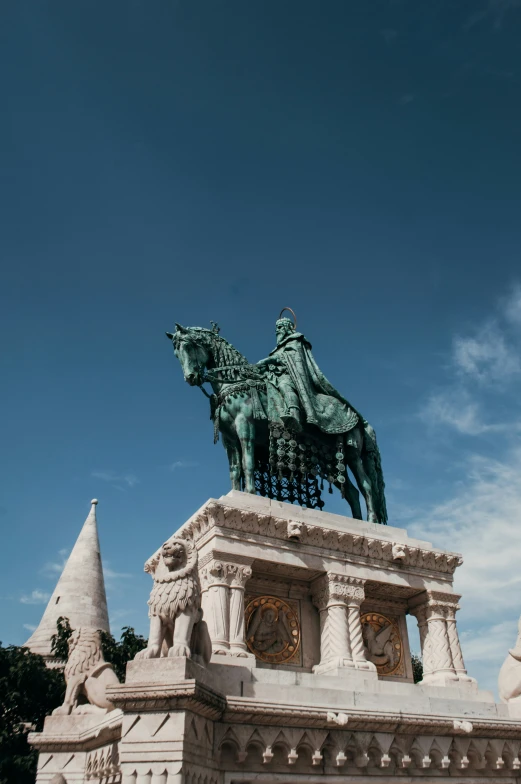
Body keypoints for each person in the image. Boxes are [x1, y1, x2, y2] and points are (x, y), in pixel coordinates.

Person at [256, 316, 359, 435]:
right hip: (275, 376)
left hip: (292, 376)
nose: (277, 330)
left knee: (285, 385)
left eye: (279, 327)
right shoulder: (276, 349)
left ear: (287, 328)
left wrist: (268, 361)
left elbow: (290, 357)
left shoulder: (295, 340)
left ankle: (294, 415)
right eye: (276, 328)